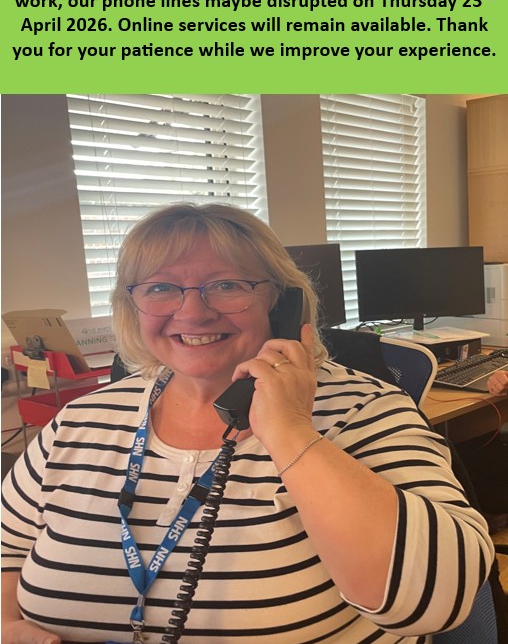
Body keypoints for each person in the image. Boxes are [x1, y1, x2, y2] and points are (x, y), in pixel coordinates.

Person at [1, 203, 495, 644]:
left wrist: (291, 431)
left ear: (281, 304)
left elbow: (439, 602)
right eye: (161, 288)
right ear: (133, 306)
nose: (192, 312)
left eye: (227, 285)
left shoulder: (366, 409)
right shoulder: (80, 420)